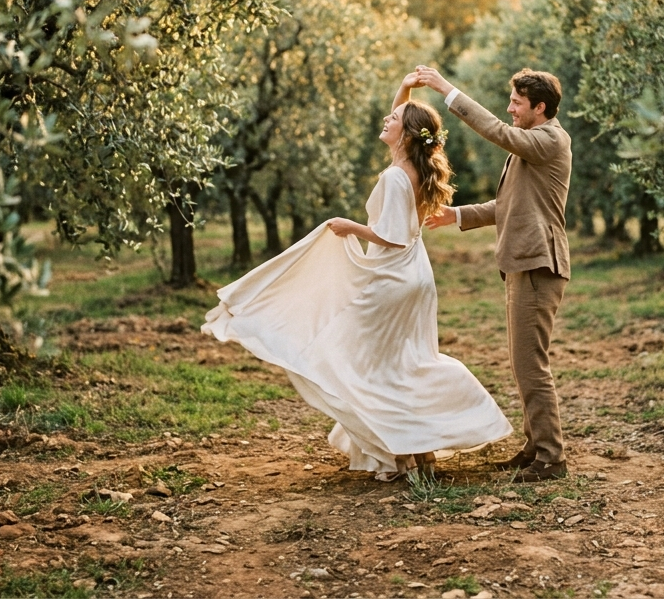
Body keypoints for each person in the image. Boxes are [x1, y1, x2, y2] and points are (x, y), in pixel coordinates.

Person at [202, 73, 512, 481]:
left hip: (391, 278)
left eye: (393, 116)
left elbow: (393, 237)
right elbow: (406, 127)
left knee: (364, 364)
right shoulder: (410, 168)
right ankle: (421, 455)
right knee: (403, 364)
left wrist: (351, 227)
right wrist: (406, 88)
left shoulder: (396, 175)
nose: (386, 118)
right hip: (415, 278)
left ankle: (401, 455)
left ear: (405, 133)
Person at [414, 65, 572, 483]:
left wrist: (446, 90)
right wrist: (457, 215)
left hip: (540, 264)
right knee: (524, 364)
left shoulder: (549, 140)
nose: (510, 109)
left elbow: (497, 130)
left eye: (517, 103)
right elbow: (512, 206)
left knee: (531, 364)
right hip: (523, 264)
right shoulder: (535, 145)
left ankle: (552, 458)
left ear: (540, 107)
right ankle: (536, 445)